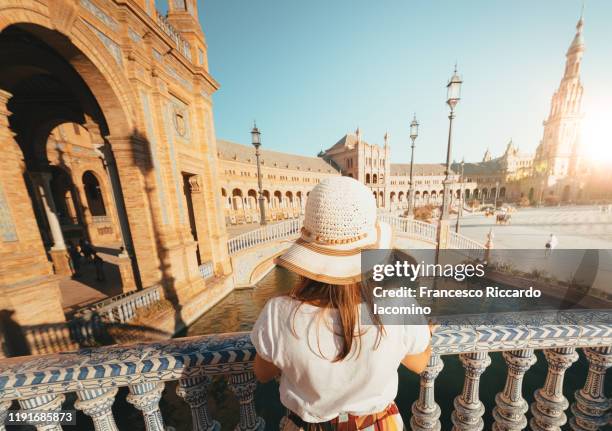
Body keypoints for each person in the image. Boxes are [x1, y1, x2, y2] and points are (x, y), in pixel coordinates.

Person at [251, 177, 433, 431]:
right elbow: (419, 363)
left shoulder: (279, 312)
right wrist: (426, 334)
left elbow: (262, 372)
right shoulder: (398, 304)